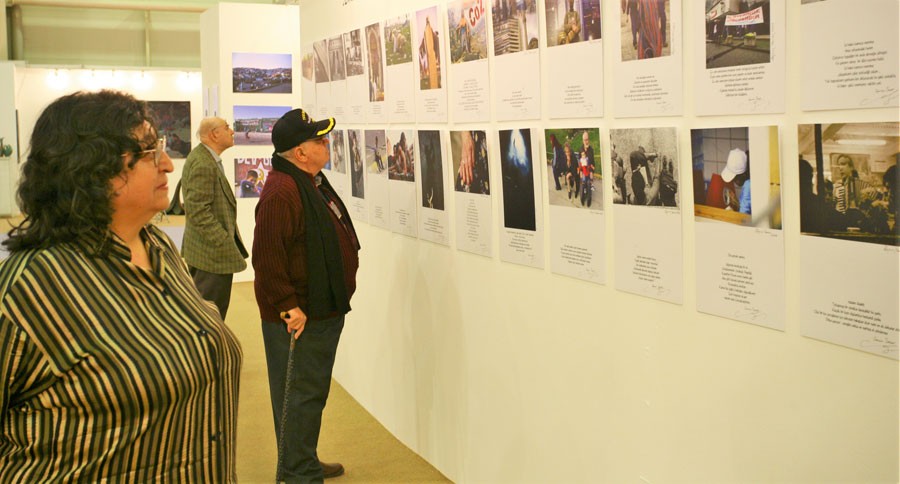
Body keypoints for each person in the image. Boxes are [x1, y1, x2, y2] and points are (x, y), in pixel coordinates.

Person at [0, 90, 241, 481]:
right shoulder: (28, 290)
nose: (166, 164)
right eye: (149, 154)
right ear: (92, 169)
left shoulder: (158, 247)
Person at [253, 108, 361, 483]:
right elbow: (266, 258)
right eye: (318, 140)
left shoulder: (308, 181)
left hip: (320, 309)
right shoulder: (283, 192)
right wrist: (288, 307)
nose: (325, 144)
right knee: (297, 397)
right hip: (300, 317)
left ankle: (303, 461)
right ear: (300, 152)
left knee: (309, 394)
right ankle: (297, 473)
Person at [181, 117, 249, 319]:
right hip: (210, 255)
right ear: (214, 134)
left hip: (207, 252)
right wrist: (223, 241)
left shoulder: (205, 158)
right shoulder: (203, 163)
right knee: (210, 317)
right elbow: (198, 210)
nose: (232, 131)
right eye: (227, 127)